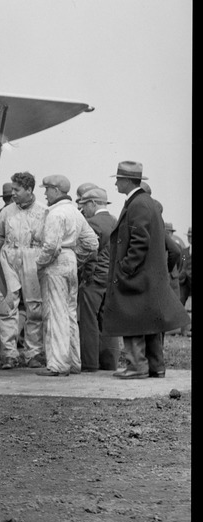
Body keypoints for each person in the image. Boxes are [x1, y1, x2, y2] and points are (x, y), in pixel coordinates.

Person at [101, 161, 188, 379]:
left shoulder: (137, 204)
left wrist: (125, 268)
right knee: (150, 321)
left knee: (131, 319)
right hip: (147, 276)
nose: (116, 183)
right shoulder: (147, 202)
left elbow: (140, 241)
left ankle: (137, 366)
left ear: (128, 180)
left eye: (118, 179)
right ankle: (156, 367)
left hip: (135, 276)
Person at [34, 175, 98, 377]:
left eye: (47, 189)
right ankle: (73, 361)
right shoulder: (76, 213)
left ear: (56, 190)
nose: (45, 193)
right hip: (70, 260)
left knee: (55, 313)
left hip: (55, 263)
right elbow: (92, 243)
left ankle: (58, 364)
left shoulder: (55, 213)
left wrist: (39, 263)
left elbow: (51, 246)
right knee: (69, 313)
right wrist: (76, 258)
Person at [0, 171, 47, 369]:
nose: (13, 193)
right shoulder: (7, 212)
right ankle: (9, 354)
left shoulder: (44, 212)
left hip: (33, 258)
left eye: (17, 189)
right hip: (9, 258)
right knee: (5, 305)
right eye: (12, 189)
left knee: (35, 308)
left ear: (29, 190)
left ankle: (34, 353)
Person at [75, 187, 119, 371]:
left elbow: (90, 254)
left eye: (84, 205)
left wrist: (86, 277)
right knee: (107, 320)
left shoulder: (92, 223)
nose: (83, 210)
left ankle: (90, 363)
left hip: (94, 280)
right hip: (113, 279)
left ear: (93, 203)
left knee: (88, 321)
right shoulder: (116, 221)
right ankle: (109, 363)